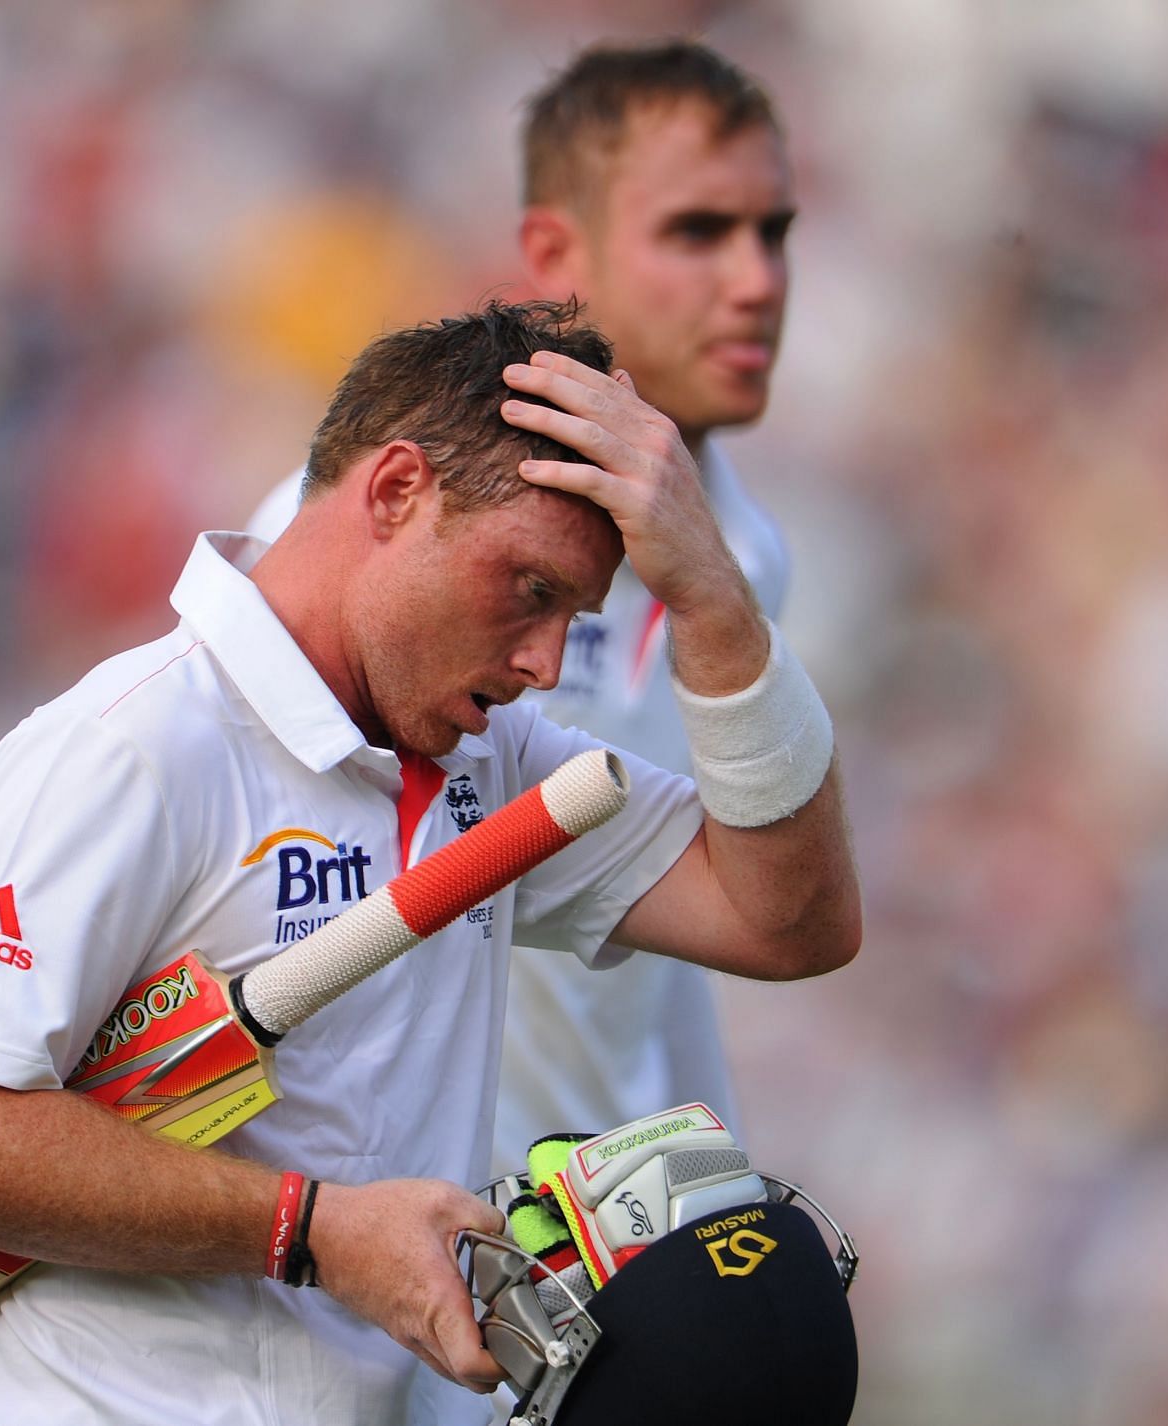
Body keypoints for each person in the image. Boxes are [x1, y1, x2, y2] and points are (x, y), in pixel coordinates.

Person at [0, 300, 860, 1426]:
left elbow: (790, 920)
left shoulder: (494, 760)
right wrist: (313, 1229)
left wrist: (716, 601)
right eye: (529, 590)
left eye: (575, 617)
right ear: (395, 491)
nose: (542, 662)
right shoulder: (135, 746)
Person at [247, 40, 801, 1168]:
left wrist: (717, 1166)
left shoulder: (742, 558)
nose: (757, 279)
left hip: (580, 1252)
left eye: (774, 231)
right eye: (698, 232)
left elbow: (673, 917)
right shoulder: (390, 538)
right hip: (386, 1259)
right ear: (557, 252)